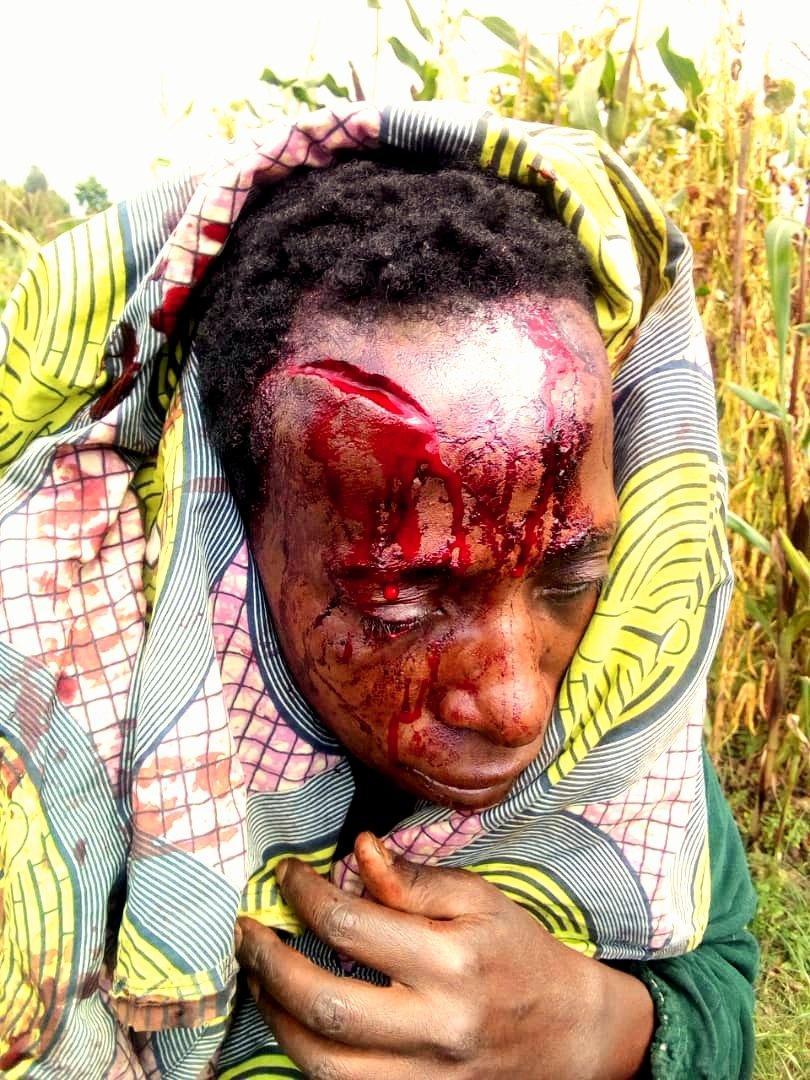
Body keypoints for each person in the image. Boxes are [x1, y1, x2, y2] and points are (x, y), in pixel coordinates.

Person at [0, 103, 756, 1079]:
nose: (519, 703)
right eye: (403, 598)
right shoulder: (63, 707)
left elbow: (719, 964)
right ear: (231, 527)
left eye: (568, 575)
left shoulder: (620, 716)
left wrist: (603, 1027)